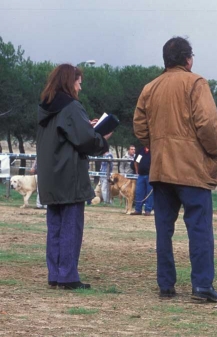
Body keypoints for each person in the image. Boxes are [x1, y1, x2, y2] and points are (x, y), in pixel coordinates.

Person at [133, 36, 217, 302]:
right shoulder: (196, 82)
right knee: (199, 229)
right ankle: (201, 286)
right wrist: (213, 151)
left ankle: (166, 284)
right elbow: (208, 124)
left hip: (161, 170)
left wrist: (157, 144)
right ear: (188, 59)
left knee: (164, 229)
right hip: (191, 170)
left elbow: (139, 126)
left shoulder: (150, 88)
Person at [36, 64, 112, 290]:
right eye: (79, 81)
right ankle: (68, 276)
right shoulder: (71, 107)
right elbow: (85, 140)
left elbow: (66, 133)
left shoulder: (45, 108)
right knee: (71, 226)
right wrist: (102, 136)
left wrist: (85, 128)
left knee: (55, 228)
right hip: (70, 176)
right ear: (70, 81)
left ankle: (55, 273)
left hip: (51, 177)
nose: (80, 86)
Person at [130, 146, 153, 216]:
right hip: (141, 175)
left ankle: (148, 210)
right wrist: (137, 171)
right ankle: (138, 209)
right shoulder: (141, 151)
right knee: (139, 192)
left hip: (150, 176)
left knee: (150, 193)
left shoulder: (153, 150)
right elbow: (136, 161)